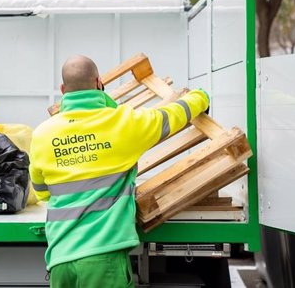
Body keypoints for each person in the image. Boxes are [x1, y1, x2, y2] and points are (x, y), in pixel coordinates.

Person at [29, 55, 210, 288]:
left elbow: (42, 192)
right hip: (103, 258)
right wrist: (200, 97)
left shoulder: (43, 134)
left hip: (60, 259)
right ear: (99, 82)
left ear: (63, 89)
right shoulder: (124, 124)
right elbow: (171, 117)